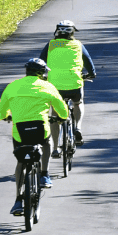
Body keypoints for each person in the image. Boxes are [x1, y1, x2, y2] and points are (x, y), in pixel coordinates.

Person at [0, 58, 68, 215]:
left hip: (20, 133)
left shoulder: (12, 86)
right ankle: (44, 174)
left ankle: (17, 200)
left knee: (21, 161)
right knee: (47, 143)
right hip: (40, 129)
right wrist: (62, 117)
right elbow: (61, 107)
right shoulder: (47, 86)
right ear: (42, 73)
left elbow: (2, 110)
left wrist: (5, 116)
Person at [40, 20, 96, 149]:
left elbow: (41, 62)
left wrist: (42, 76)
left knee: (55, 113)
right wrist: (92, 73)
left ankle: (55, 149)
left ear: (57, 31)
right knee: (78, 102)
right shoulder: (78, 45)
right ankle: (78, 128)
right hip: (74, 83)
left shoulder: (51, 45)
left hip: (55, 85)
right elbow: (88, 61)